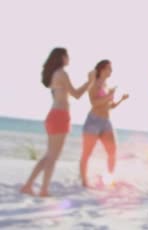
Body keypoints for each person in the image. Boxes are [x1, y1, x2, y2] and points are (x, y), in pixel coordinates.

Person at [20, 48, 95, 197]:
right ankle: (42, 189)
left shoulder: (56, 74)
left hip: (54, 115)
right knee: (52, 156)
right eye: (67, 55)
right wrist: (91, 80)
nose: (69, 58)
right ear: (62, 57)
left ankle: (31, 186)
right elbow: (77, 94)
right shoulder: (61, 73)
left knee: (49, 155)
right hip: (60, 116)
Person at [80, 60, 129, 188]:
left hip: (106, 121)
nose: (111, 71)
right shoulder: (93, 84)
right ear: (102, 70)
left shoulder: (107, 85)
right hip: (94, 121)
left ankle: (109, 179)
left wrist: (121, 100)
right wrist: (109, 96)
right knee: (87, 153)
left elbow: (110, 106)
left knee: (112, 151)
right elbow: (94, 103)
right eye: (109, 68)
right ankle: (84, 182)